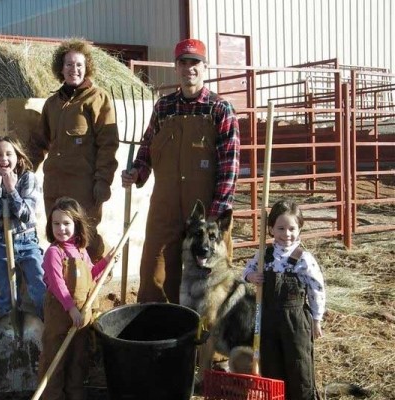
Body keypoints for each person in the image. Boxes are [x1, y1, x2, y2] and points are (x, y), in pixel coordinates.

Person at [121, 38, 240, 303]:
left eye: (195, 63)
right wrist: (137, 172)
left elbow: (229, 168)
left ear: (204, 67)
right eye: (183, 63)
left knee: (211, 280)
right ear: (176, 67)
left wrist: (215, 217)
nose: (189, 69)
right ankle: (158, 334)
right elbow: (147, 148)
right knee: (156, 273)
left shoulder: (220, 109)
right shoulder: (164, 107)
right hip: (165, 207)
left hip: (206, 210)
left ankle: (208, 340)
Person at [28, 39, 119, 263]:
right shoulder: (52, 103)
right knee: (58, 235)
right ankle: (64, 288)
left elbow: (108, 144)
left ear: (87, 67)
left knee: (84, 235)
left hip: (83, 184)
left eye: (79, 65)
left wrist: (103, 180)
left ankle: (95, 274)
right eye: (69, 64)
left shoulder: (97, 98)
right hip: (54, 184)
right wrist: (23, 170)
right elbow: (39, 142)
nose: (74, 70)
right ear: (61, 68)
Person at [243, 199, 325, 400]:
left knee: (299, 363)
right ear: (270, 229)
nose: (286, 234)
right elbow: (245, 271)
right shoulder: (264, 255)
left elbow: (317, 288)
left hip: (295, 321)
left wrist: (316, 319)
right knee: (271, 362)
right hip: (268, 317)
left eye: (292, 228)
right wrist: (251, 277)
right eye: (280, 228)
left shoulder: (304, 259)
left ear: (299, 230)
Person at [38, 197, 113, 400]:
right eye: (56, 223)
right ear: (50, 225)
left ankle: (75, 394)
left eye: (66, 223)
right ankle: (52, 396)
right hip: (61, 315)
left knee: (77, 358)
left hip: (81, 318)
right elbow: (57, 284)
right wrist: (70, 308)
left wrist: (106, 262)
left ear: (76, 225)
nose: (61, 228)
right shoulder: (54, 253)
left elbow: (90, 277)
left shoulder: (81, 251)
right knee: (55, 358)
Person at [0, 135, 46, 320]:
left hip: (27, 241)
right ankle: (12, 338)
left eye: (9, 153)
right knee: (6, 296)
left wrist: (11, 189)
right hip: (2, 242)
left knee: (40, 290)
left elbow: (26, 215)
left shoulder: (28, 178)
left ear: (18, 157)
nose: (4, 158)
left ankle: (49, 334)